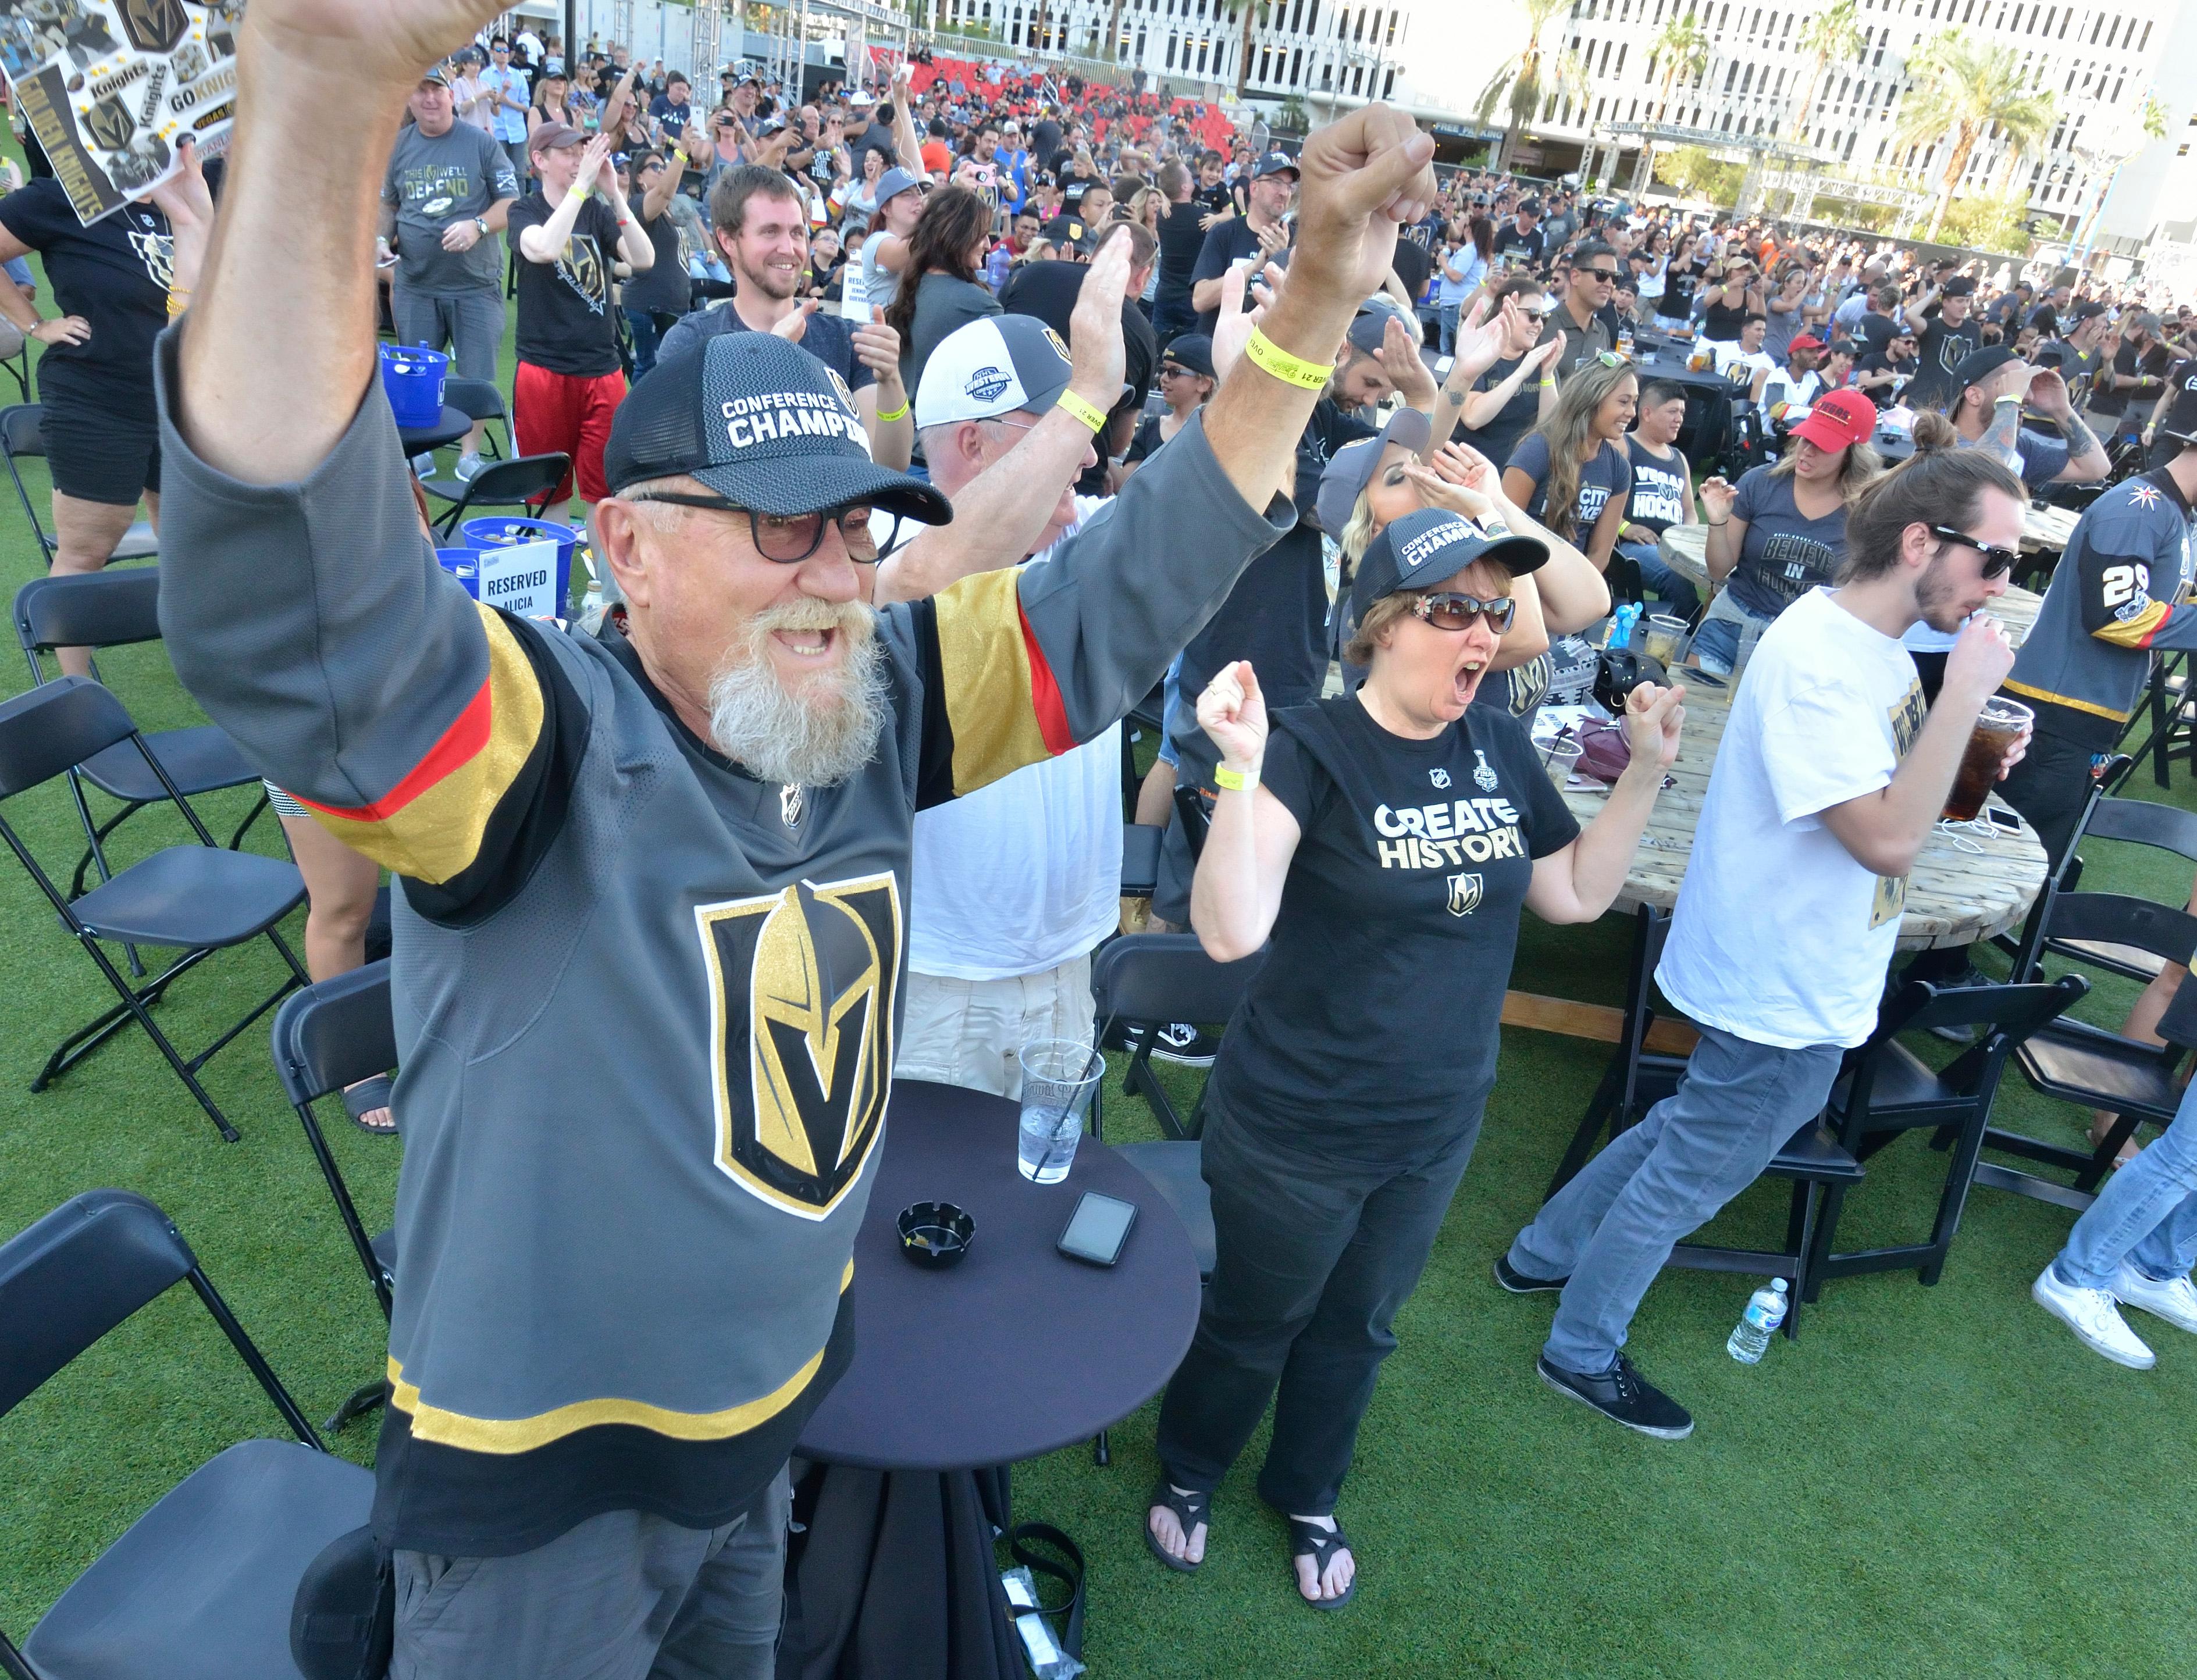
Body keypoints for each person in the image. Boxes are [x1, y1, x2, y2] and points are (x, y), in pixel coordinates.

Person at [157, 0, 1441, 1660]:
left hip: (768, 1431)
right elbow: (291, 620)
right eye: (777, 530)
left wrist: (1319, 298)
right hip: (545, 1495)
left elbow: (1129, 585)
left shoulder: (872, 709)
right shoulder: (548, 745)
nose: (834, 577)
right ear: (624, 545)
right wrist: (331, 86)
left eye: (854, 530)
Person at [1144, 506, 1684, 1603]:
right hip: (1297, 1123)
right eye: (1451, 608)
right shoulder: (1308, 747)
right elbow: (1230, 929)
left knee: (1360, 1323)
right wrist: (1240, 771)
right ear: (1382, 624)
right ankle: (1192, 1468)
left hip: (1435, 1119)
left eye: (1493, 611)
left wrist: (1643, 772)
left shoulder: (1493, 743)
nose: (1480, 633)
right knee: (1256, 1318)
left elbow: (1574, 893)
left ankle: (1305, 1489)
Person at [1501, 438, 2031, 1439]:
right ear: (1921, 539)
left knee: (1685, 1133)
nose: (2002, 588)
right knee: (1693, 1167)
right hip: (1781, 978)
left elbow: (1886, 799)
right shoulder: (1823, 660)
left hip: (1797, 960)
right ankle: (1578, 1349)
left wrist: (1960, 743)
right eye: (1994, 559)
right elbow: (1883, 837)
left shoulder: (1862, 645)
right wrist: (1962, 697)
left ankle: (1541, 1249)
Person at [891, 309, 1130, 1094]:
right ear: (973, 443)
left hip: (1065, 963)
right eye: (1062, 425)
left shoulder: (1086, 538)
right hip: (932, 971)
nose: (1089, 451)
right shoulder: (883, 556)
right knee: (921, 1207)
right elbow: (932, 580)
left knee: (1046, 1198)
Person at [0, 133, 170, 676]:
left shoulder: (185, 193)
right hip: (96, 397)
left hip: (181, 398)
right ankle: (77, 690)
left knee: (189, 539)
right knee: (88, 548)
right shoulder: (61, 198)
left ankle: (200, 655)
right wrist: (35, 325)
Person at [1999, 415, 2197, 868]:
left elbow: (2160, 599)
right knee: (2013, 854)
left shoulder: (2172, 512)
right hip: (2054, 712)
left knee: (2035, 855)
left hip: (2081, 711)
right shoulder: (2139, 507)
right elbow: (2115, 617)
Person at [658, 165, 911, 472]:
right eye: (770, 231)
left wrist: (892, 380)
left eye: (796, 233)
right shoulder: (692, 341)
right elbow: (675, 461)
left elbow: (889, 466)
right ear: (727, 241)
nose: (789, 248)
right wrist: (767, 357)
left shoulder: (844, 339)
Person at [507, 126, 653, 522]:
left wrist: (615, 195)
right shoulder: (524, 211)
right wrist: (583, 185)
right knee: (548, 491)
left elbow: (643, 259)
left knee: (604, 495)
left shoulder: (596, 212)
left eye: (582, 152)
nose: (579, 160)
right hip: (544, 369)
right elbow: (544, 247)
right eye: (568, 153)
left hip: (601, 368)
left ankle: (605, 586)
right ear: (540, 160)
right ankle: (556, 583)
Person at [380, 66, 516, 479]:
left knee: (476, 374)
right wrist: (379, 240)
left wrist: (477, 227)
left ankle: (468, 455)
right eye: (419, 90)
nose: (429, 98)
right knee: (415, 372)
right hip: (416, 284)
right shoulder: (398, 146)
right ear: (409, 98)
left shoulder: (480, 144)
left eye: (436, 89)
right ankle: (419, 450)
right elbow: (388, 205)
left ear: (452, 94)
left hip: (474, 284)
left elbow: (510, 202)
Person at [1693, 388, 1881, 676]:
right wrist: (1718, 522)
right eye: (1807, 438)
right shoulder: (1761, 482)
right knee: (1689, 711)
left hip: (1805, 646)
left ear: (1851, 454)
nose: (1808, 451)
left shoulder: (1864, 512)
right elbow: (1719, 570)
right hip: (1731, 626)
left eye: (1824, 445)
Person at [1500, 354, 1636, 577]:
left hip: (1574, 583)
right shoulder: (1538, 449)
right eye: (1623, 401)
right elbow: (1500, 527)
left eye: (1634, 402)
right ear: (1592, 399)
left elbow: (1600, 554)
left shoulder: (1619, 469)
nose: (1632, 412)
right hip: (1522, 574)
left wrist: (1576, 595)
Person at [885, 183, 1001, 406]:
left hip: (904, 431)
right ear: (960, 237)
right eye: (982, 235)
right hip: (945, 433)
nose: (988, 245)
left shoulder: (913, 285)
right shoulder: (977, 303)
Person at [1942, 346, 2109, 493]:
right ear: (1975, 396)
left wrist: (2060, 407)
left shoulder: (2020, 450)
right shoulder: (1937, 444)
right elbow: (1982, 471)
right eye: (2015, 385)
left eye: (2027, 386)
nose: (2028, 396)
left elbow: (2096, 468)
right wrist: (2010, 401)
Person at [1452, 276, 1562, 469]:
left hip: (1516, 476)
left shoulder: (1540, 363)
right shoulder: (1479, 355)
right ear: (1507, 311)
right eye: (1534, 314)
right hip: (1468, 471)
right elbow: (1472, 417)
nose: (1539, 324)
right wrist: (1520, 373)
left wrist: (1548, 374)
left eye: (1544, 317)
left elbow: (1548, 429)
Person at [1614, 377, 1701, 619]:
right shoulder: (1624, 446)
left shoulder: (1678, 458)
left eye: (1682, 412)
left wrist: (1685, 534)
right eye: (1672, 411)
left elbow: (1690, 511)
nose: (1680, 419)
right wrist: (1625, 527)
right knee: (1676, 575)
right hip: (1631, 547)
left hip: (1672, 547)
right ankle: (1688, 633)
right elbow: (1599, 500)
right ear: (1647, 413)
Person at [1189, 149, 1294, 335]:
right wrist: (1253, 267)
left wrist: (1281, 260)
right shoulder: (1224, 233)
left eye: (1289, 186)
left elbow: (1305, 311)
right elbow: (1200, 300)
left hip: (1267, 352)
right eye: (1276, 182)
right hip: (1217, 349)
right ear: (1253, 188)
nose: (1284, 192)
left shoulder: (1298, 241)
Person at [621, 148, 690, 380]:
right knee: (648, 368)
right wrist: (683, 152)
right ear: (639, 177)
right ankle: (636, 416)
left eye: (664, 166)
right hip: (648, 303)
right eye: (655, 167)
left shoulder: (666, 211)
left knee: (670, 372)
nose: (662, 171)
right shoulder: (639, 204)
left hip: (671, 305)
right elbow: (665, 192)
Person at [1122, 330, 1214, 481]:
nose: (1163, 379)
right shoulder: (1151, 428)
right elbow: (1126, 486)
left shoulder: (1214, 435)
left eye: (1174, 372)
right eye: (1163, 370)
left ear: (1203, 383)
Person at [1539, 240, 1616, 382]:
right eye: (1602, 275)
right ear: (1575, 277)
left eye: (1615, 278)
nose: (1610, 284)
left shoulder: (1602, 332)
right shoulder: (1542, 326)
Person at [1902, 274, 1981, 410]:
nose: (1965, 306)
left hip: (1954, 405)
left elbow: (1978, 365)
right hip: (1923, 402)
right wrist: (1933, 294)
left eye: (1968, 301)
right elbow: (1910, 316)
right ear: (1945, 302)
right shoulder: (1932, 327)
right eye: (1960, 301)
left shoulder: (1973, 329)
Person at [479, 36, 534, 185]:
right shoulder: (485, 76)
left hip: (517, 130)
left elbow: (526, 106)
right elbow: (486, 104)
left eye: (505, 50)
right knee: (500, 172)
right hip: (496, 130)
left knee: (520, 173)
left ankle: (521, 205)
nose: (502, 53)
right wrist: (501, 97)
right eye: (498, 50)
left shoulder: (518, 76)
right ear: (492, 52)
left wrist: (507, 101)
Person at [1436, 216, 1492, 355]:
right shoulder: (1478, 251)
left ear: (1469, 229)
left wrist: (1443, 262)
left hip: (1456, 305)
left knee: (1450, 350)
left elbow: (1456, 276)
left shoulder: (1469, 251)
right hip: (1459, 303)